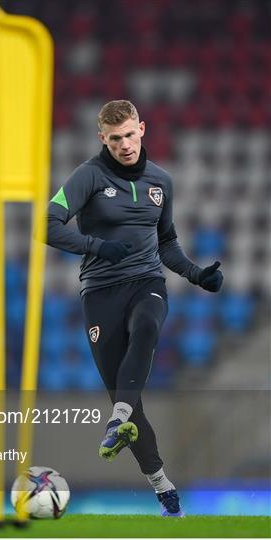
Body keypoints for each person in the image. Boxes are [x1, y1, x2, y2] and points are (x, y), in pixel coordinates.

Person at [46, 100, 223, 517]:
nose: (124, 145)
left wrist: (197, 275)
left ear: (141, 129)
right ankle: (163, 489)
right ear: (101, 138)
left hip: (147, 282)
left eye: (129, 134)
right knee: (126, 396)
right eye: (114, 138)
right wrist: (96, 246)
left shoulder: (161, 181)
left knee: (148, 324)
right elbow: (48, 224)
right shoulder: (87, 176)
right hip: (100, 294)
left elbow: (166, 242)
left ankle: (117, 419)